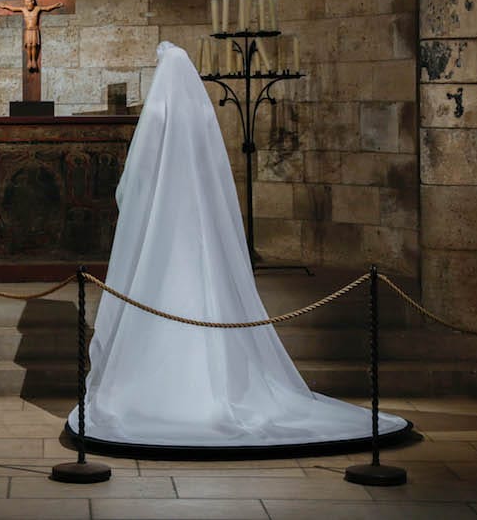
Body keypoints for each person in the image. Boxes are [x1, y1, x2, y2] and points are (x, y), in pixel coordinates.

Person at [70, 42, 408, 450]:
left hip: (164, 223)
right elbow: (216, 175)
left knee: (160, 288)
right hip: (198, 224)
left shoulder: (157, 112)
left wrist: (132, 204)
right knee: (206, 292)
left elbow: (137, 180)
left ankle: (156, 389)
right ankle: (219, 385)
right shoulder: (202, 113)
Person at [0, 0, 63, 73]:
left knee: (34, 45)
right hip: (28, 30)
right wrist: (4, 6)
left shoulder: (37, 9)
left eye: (28, 2)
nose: (27, 4)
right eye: (25, 2)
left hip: (35, 30)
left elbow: (47, 8)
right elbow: (13, 9)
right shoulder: (23, 9)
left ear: (32, 2)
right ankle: (29, 60)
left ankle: (34, 60)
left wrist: (55, 5)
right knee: (28, 45)